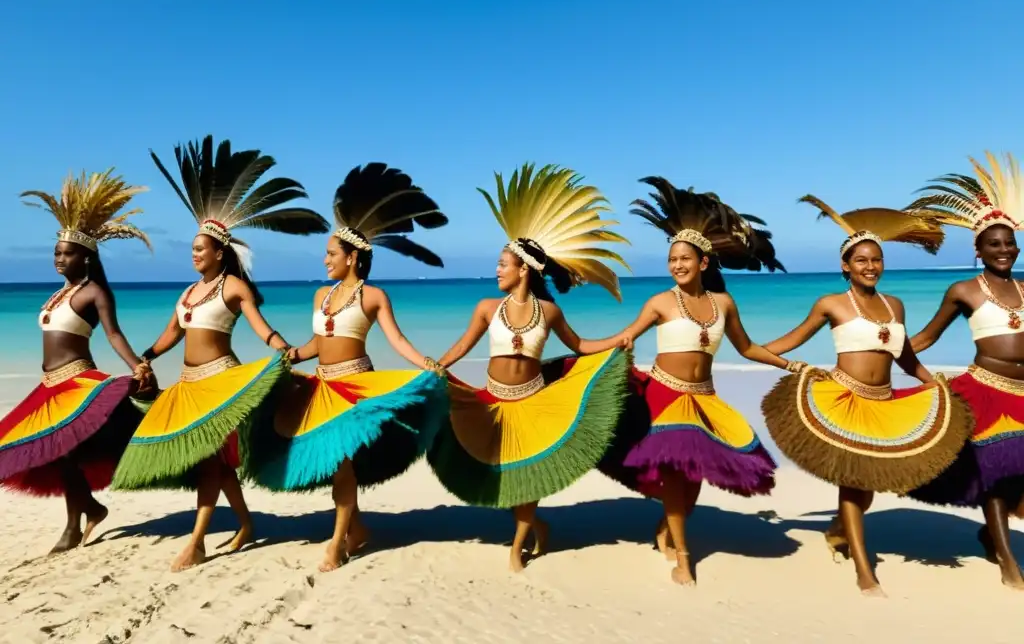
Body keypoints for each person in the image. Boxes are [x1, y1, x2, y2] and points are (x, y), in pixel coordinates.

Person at [110, 135, 329, 572]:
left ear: (218, 251)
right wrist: (145, 357)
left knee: (210, 461)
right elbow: (172, 333)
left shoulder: (234, 287)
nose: (192, 254)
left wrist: (284, 349)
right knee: (211, 462)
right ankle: (245, 524)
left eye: (199, 248)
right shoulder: (189, 292)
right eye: (192, 248)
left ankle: (196, 542)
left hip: (221, 381)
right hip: (188, 385)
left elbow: (261, 327)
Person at [589, 177, 804, 586]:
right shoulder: (660, 302)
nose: (677, 265)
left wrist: (789, 365)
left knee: (693, 480)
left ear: (703, 262)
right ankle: (684, 556)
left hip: (704, 398)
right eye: (672, 259)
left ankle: (668, 528)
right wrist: (593, 349)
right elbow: (627, 335)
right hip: (664, 395)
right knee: (673, 475)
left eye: (684, 258)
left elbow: (747, 347)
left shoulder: (723, 303)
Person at [760, 195, 972, 596]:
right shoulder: (832, 304)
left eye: (876, 259)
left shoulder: (895, 305)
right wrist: (753, 349)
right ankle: (863, 569)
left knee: (867, 491)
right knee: (852, 486)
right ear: (846, 266)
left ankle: (837, 531)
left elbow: (906, 358)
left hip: (885, 403)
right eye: (861, 260)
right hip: (844, 399)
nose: (870, 266)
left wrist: (932, 384)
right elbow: (791, 339)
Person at [242, 162, 449, 572]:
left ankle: (337, 542)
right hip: (320, 387)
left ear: (352, 258)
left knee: (342, 464)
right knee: (335, 464)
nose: (324, 261)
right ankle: (356, 530)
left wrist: (427, 363)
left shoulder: (374, 297)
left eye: (331, 254)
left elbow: (397, 340)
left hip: (356, 388)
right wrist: (287, 357)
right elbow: (318, 344)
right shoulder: (321, 295)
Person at [428, 164, 632, 573]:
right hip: (493, 400)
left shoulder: (550, 311)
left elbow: (580, 346)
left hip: (535, 400)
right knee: (504, 478)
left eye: (504, 263)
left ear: (523, 269)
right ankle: (538, 526)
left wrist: (617, 340)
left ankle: (517, 546)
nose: (498, 269)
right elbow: (464, 345)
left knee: (530, 476)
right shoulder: (488, 308)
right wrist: (439, 365)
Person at [0, 170, 153, 554]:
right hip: (48, 385)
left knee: (64, 449)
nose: (59, 258)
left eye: (67, 253)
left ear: (86, 258)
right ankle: (91, 508)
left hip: (77, 382)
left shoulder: (94, 292)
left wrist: (138, 365)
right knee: (50, 449)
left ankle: (76, 522)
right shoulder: (58, 294)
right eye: (56, 252)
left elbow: (114, 334)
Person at [903, 151, 1024, 588]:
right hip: (986, 389)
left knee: (1017, 479)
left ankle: (991, 535)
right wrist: (889, 350)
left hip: (1023, 392)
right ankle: (1009, 562)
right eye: (995, 244)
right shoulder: (964, 290)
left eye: (1010, 243)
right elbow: (929, 336)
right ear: (978, 250)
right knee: (994, 475)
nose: (1005, 250)